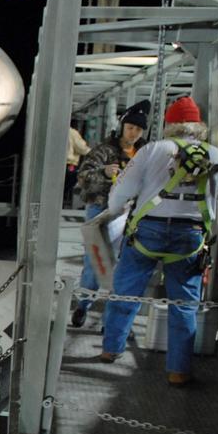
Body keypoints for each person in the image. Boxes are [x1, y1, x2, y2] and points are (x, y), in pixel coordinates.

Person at [99, 96, 218, 386]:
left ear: (170, 123)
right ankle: (178, 370)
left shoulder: (153, 150)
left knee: (127, 289)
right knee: (184, 301)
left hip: (148, 230)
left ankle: (111, 349)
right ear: (198, 125)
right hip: (191, 236)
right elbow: (214, 196)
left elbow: (122, 190)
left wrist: (114, 211)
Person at [72, 100, 150, 327]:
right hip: (101, 211)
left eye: (138, 129)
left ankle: (111, 316)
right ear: (122, 126)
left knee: (124, 264)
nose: (133, 133)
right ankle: (83, 304)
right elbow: (83, 176)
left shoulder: (145, 153)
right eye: (130, 128)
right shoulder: (104, 150)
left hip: (132, 214)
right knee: (94, 260)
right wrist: (104, 172)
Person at [65, 120, 92, 206]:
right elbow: (81, 148)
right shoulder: (72, 132)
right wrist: (94, 152)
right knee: (66, 185)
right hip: (70, 163)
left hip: (58, 164)